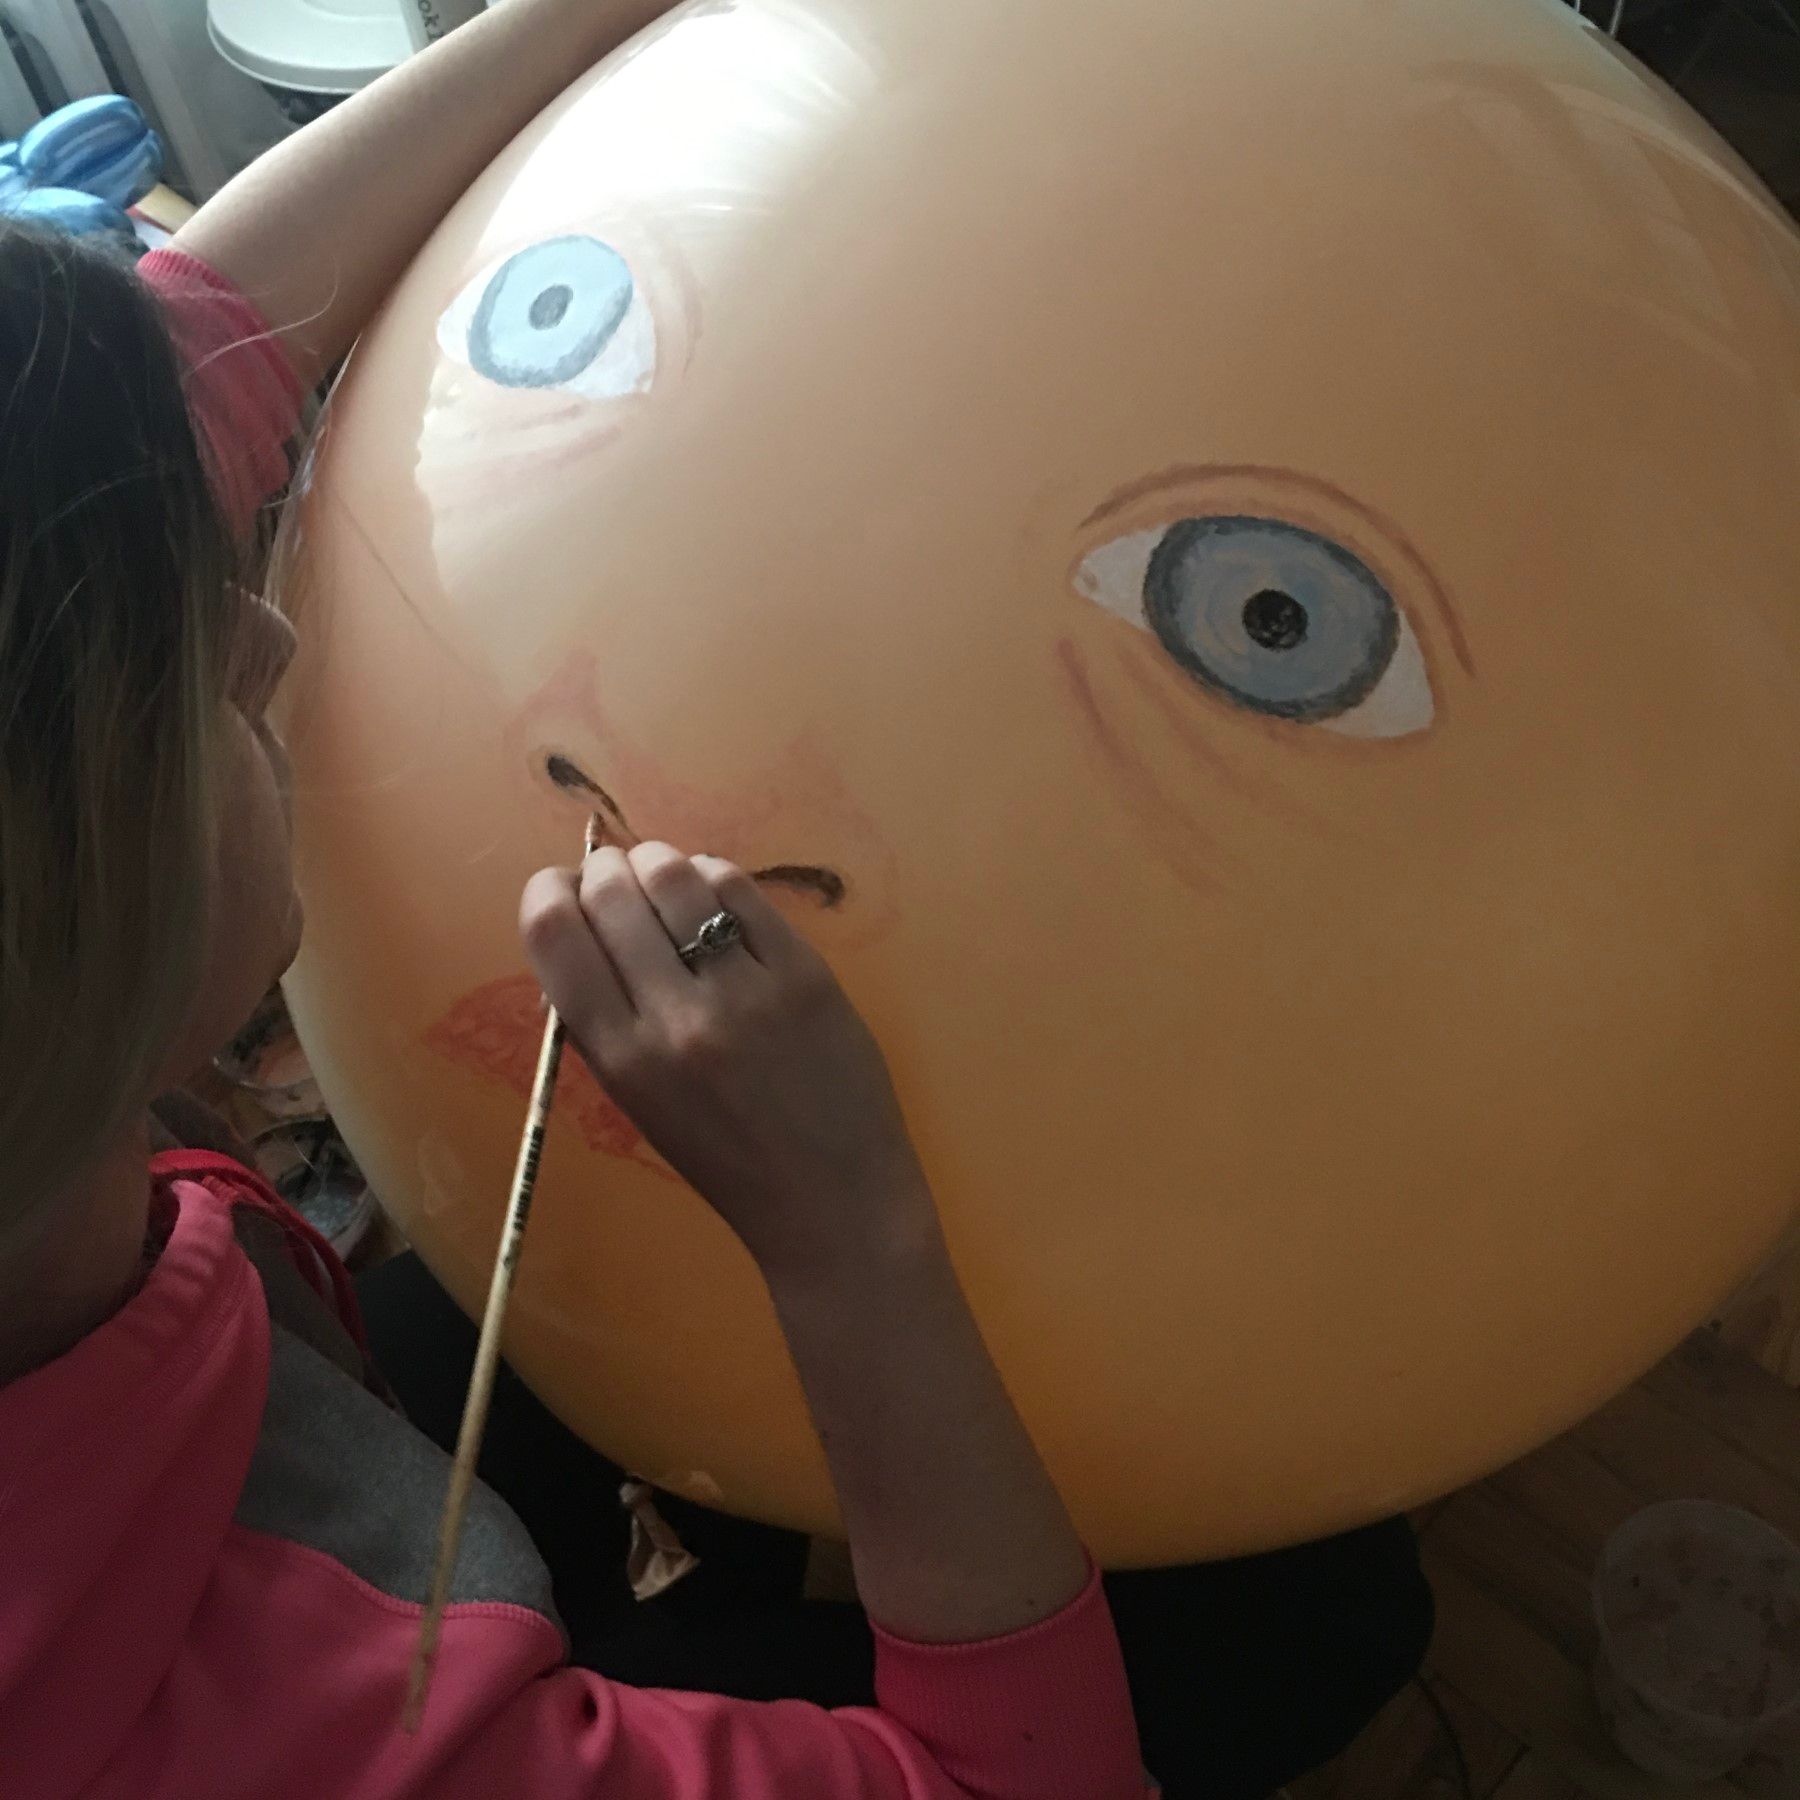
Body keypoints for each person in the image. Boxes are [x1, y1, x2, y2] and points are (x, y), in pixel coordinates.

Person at [0, 4, 1427, 1797]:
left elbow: (187, 354)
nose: (267, 635)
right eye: (197, 683)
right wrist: (848, 1235)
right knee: (1324, 1618)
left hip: (233, 1381)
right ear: (77, 930)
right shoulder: (291, 1748)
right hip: (351, 1611)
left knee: (657, 1389)